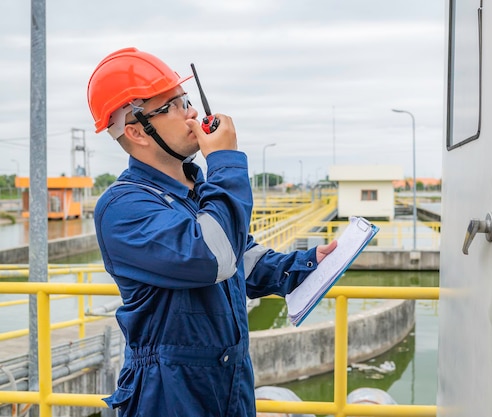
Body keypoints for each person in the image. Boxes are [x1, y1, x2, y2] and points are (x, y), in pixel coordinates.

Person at [86, 47, 337, 417]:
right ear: (137, 131)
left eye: (186, 99)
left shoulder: (197, 191)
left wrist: (304, 264)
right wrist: (225, 160)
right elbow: (213, 257)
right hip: (169, 395)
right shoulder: (123, 208)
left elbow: (241, 260)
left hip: (228, 384)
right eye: (173, 104)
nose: (191, 112)